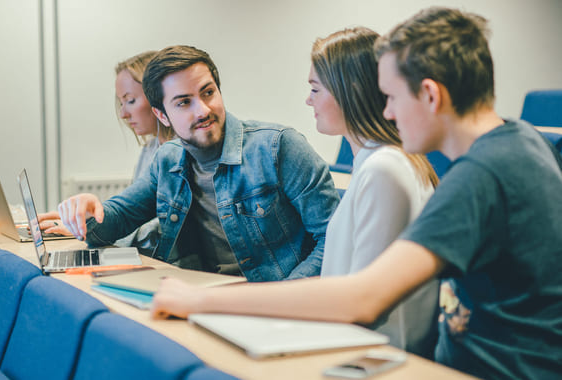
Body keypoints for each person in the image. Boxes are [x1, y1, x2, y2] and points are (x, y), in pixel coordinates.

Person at [150, 7, 562, 379]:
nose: (387, 112)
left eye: (393, 98)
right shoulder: (523, 141)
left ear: (431, 96)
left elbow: (364, 299)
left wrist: (201, 301)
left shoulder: (480, 175)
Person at [57, 45, 340, 282]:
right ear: (163, 116)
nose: (203, 110)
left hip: (274, 303)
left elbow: (334, 239)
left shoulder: (278, 147)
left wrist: (282, 299)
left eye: (208, 93)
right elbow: (120, 216)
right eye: (183, 102)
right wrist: (88, 211)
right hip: (201, 298)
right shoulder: (167, 159)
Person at [306, 27, 438, 356]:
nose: (308, 100)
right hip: (355, 347)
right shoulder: (378, 162)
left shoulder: (384, 169)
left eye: (315, 89)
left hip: (372, 357)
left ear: (348, 93)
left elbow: (362, 306)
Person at [40, 51, 174, 254]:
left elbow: (154, 230)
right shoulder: (149, 150)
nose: (123, 114)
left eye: (130, 101)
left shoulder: (182, 154)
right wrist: (84, 224)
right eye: (121, 103)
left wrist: (87, 229)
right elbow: (129, 213)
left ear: (157, 96)